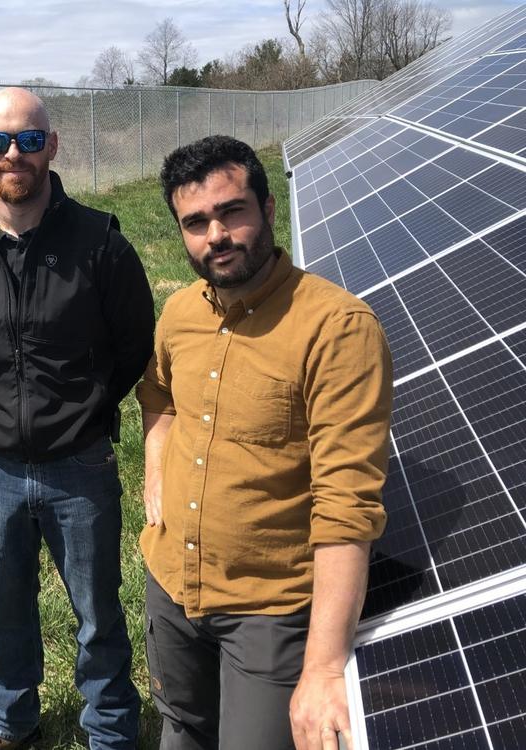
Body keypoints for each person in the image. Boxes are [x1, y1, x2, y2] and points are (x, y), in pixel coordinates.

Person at [136, 135, 391, 750]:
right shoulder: (178, 314)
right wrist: (155, 469)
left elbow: (346, 506)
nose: (215, 235)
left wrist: (325, 667)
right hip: (171, 583)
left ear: (269, 209)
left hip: (268, 610)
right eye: (195, 222)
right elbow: (157, 396)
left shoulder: (336, 329)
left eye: (232, 211)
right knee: (181, 727)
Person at [0, 87, 154, 750]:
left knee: (97, 614)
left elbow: (133, 345)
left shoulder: (100, 244)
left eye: (29, 140)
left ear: (51, 147)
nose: (13, 155)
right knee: (3, 613)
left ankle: (112, 730)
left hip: (79, 466)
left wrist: (82, 407)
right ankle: (10, 722)